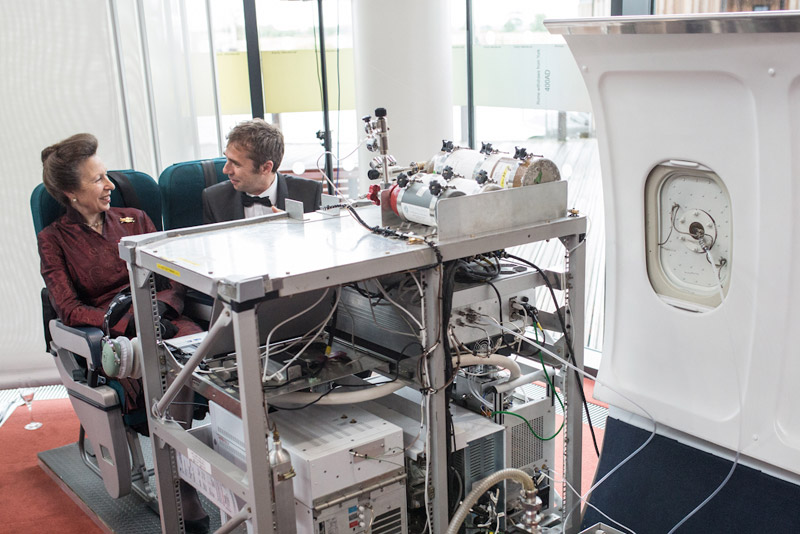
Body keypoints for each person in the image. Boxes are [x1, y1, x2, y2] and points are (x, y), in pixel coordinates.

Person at [38, 133, 209, 533]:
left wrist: (162, 308)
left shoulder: (135, 218)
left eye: (107, 175)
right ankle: (182, 483)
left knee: (194, 353)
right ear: (71, 193)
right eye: (97, 179)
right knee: (159, 364)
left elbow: (173, 275)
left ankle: (198, 462)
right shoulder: (54, 240)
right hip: (112, 333)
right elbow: (68, 307)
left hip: (163, 316)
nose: (110, 185)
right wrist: (124, 322)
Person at [202, 118, 322, 223]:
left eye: (236, 164)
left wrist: (296, 230)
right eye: (227, 159)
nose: (225, 170)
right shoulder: (214, 199)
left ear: (266, 168)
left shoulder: (310, 194)